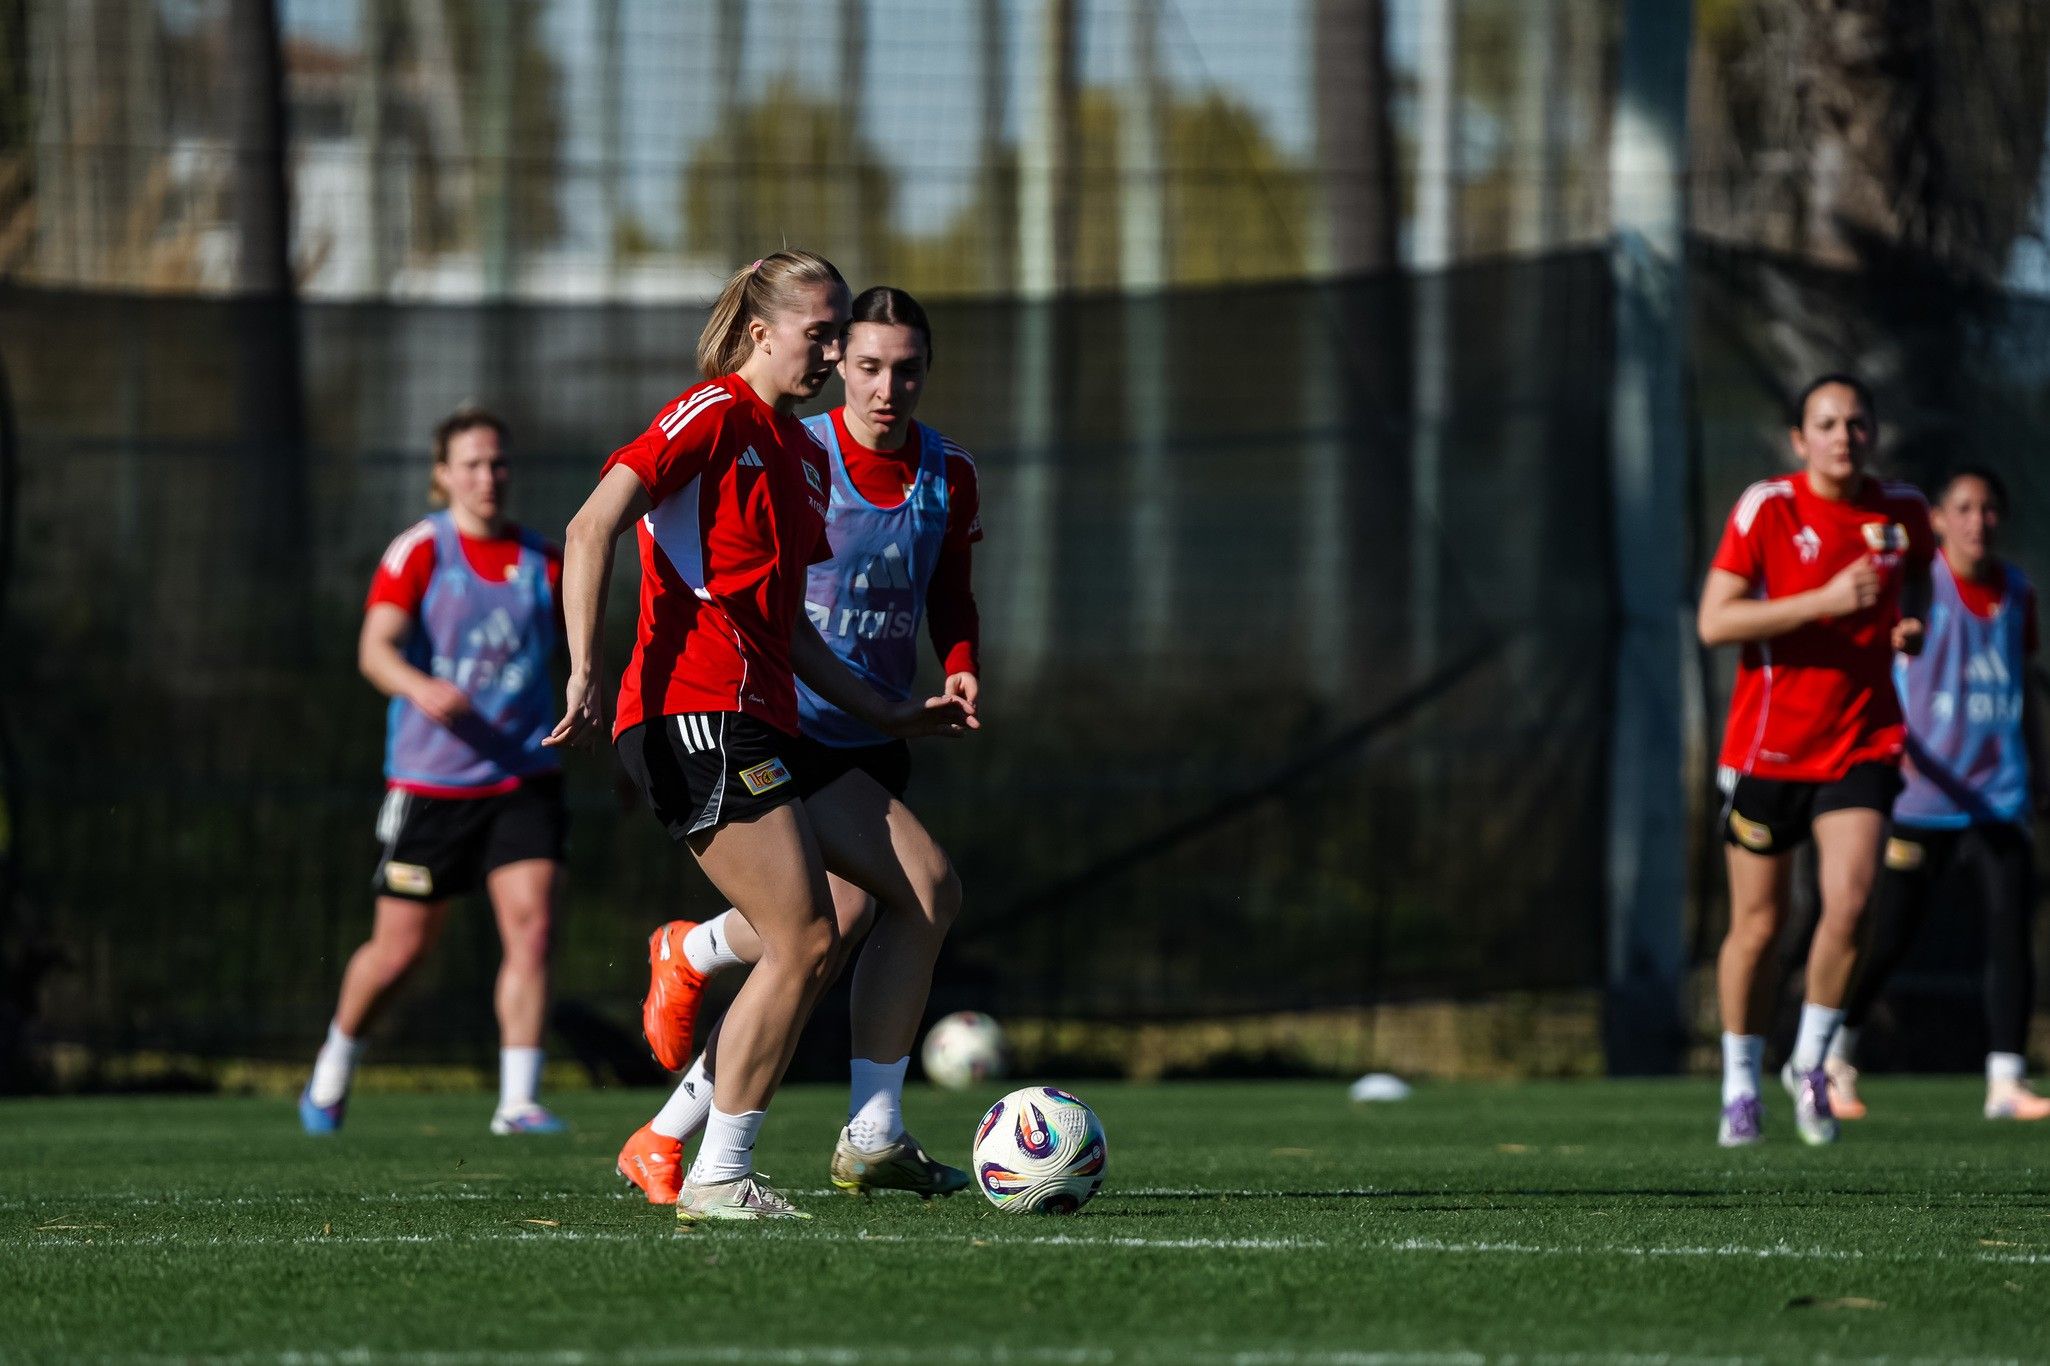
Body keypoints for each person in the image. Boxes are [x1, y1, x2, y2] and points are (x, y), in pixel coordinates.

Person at [547, 253, 974, 1223]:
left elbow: (784, 629)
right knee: (806, 934)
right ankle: (719, 1172)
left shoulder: (787, 452)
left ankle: (861, 1137)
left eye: (837, 336)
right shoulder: (714, 411)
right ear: (758, 333)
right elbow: (590, 524)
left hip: (757, 719)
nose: (830, 353)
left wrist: (887, 712)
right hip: (689, 714)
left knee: (922, 888)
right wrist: (582, 666)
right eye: (820, 334)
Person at [301, 406, 569, 1136]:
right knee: (400, 951)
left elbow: (584, 663)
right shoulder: (419, 552)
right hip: (431, 784)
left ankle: (517, 1101)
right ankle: (335, 1060)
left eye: (499, 463)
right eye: (473, 464)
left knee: (532, 928)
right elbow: (375, 650)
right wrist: (421, 688)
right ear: (442, 474)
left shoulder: (546, 563)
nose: (489, 477)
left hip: (521, 776)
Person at [1698, 373, 1932, 1147]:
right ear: (1800, 440)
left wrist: (1911, 627)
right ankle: (1739, 1080)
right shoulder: (1769, 508)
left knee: (1854, 900)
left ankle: (1811, 1062)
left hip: (1862, 740)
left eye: (1856, 423)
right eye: (1826, 424)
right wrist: (1821, 603)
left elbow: (1916, 590)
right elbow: (1714, 621)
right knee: (1761, 925)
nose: (1843, 437)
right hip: (1768, 748)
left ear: (1874, 433)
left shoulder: (1901, 512)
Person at [1826, 467, 2050, 1122]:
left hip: (1998, 795)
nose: (1977, 520)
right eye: (1963, 507)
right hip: (1922, 796)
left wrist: (2039, 768)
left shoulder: (2017, 593)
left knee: (2011, 930)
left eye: (1988, 508)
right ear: (1940, 521)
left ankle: (2005, 1081)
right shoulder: (1922, 590)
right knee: (1888, 933)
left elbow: (2023, 689)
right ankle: (1836, 1058)